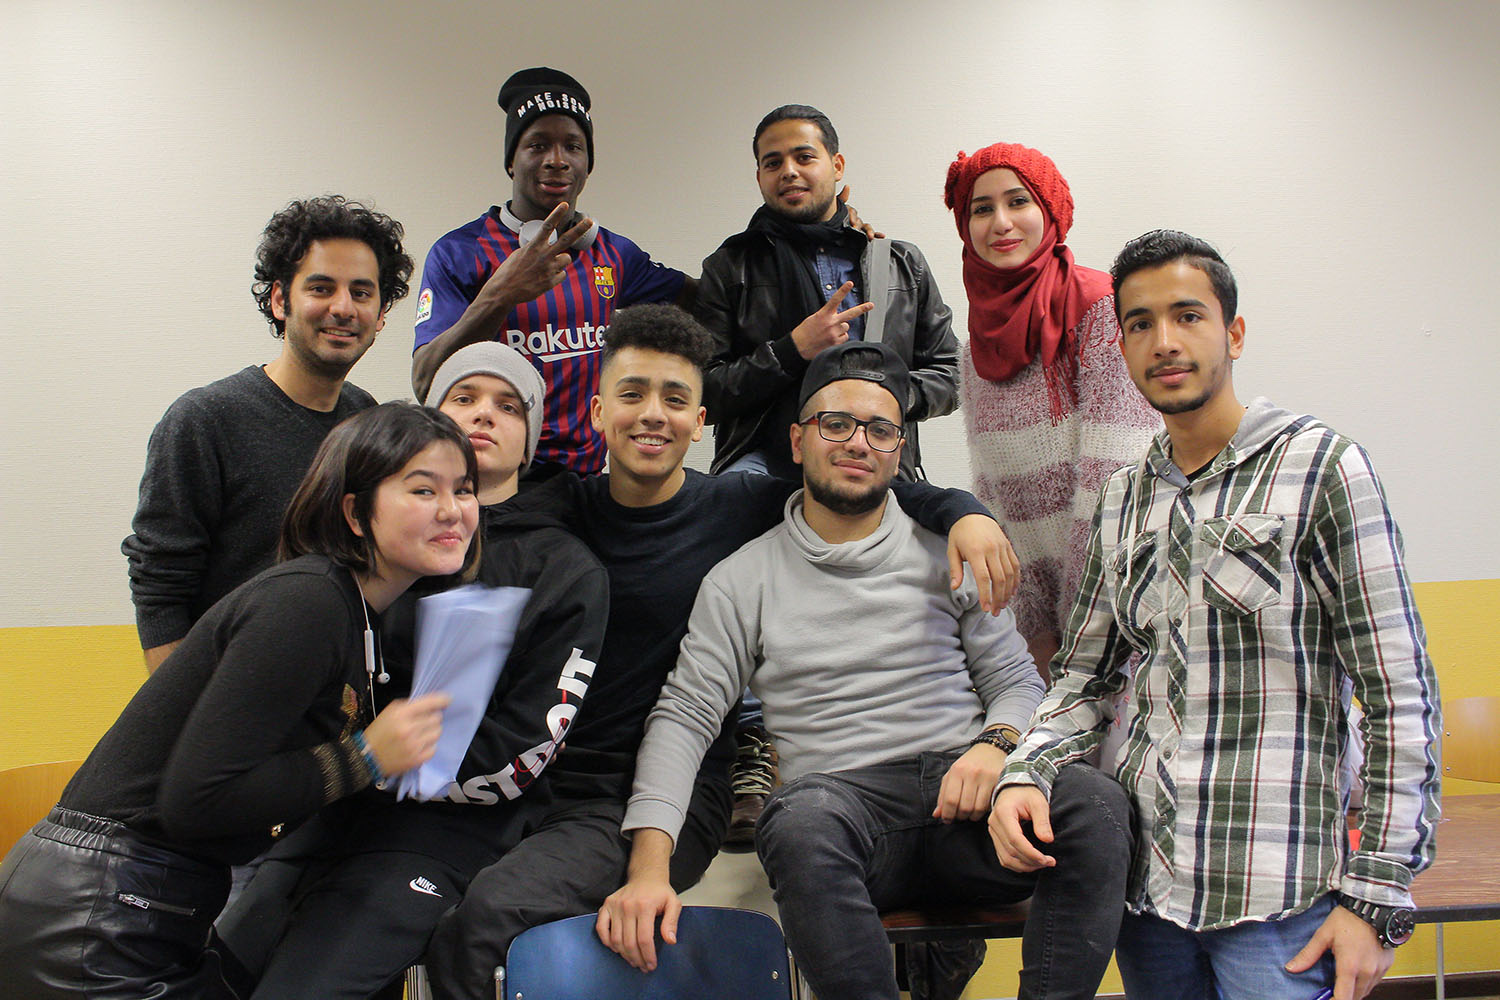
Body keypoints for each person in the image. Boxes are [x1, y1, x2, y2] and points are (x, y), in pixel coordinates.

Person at [422, 304, 1018, 1000]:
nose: (653, 414)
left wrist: (964, 511)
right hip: (535, 777)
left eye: (675, 399)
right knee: (418, 906)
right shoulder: (561, 506)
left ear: (700, 421)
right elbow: (463, 509)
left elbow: (856, 479)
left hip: (663, 794)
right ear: (597, 412)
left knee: (484, 922)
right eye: (633, 394)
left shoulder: (740, 509)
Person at [596, 342, 1132, 1000]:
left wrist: (997, 748)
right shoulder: (741, 580)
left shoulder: (951, 552)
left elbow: (1017, 682)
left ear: (898, 451)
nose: (858, 442)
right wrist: (648, 870)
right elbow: (685, 719)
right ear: (798, 442)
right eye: (836, 423)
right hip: (843, 818)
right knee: (796, 823)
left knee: (1096, 804)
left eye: (880, 429)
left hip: (970, 804)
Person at [989, 231, 1441, 1000]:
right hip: (1148, 901)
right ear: (1123, 348)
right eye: (1140, 324)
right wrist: (1023, 772)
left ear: (1233, 332)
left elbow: (1398, 690)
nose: (1164, 341)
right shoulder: (1122, 499)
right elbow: (1083, 678)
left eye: (1188, 315)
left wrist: (1376, 896)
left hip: (1280, 903)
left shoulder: (1321, 468)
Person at [0, 402, 479, 998]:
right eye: (423, 489)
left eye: (464, 489)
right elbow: (198, 799)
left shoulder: (351, 611)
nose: (452, 510)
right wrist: (365, 757)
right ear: (355, 513)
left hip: (130, 903)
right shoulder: (308, 603)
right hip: (96, 913)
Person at [213, 343, 610, 999]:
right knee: (212, 978)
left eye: (509, 406)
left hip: (443, 837)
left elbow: (522, 747)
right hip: (323, 820)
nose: (483, 415)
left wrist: (375, 761)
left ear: (531, 440)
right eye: (464, 398)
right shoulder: (380, 547)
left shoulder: (565, 568)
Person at [123, 195, 413, 672]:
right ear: (280, 300)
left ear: (381, 313)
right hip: (232, 696)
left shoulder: (367, 420)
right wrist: (187, 707)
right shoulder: (204, 420)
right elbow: (160, 591)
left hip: (334, 700)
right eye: (321, 288)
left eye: (362, 293)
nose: (343, 307)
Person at [942, 142, 1160, 674]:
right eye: (982, 208)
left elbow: (1118, 472)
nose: (1001, 222)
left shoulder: (1100, 303)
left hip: (1122, 602)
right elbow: (993, 489)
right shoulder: (975, 344)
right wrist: (1029, 628)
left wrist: (1083, 630)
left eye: (1018, 201)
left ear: (1050, 209)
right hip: (1042, 626)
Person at [411, 67, 689, 475]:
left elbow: (708, 299)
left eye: (573, 147)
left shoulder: (613, 253)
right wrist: (502, 294)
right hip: (495, 481)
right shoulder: (459, 252)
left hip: (587, 483)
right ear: (512, 161)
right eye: (538, 145)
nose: (557, 161)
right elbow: (425, 381)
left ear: (588, 164)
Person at [695, 104, 959, 483]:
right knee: (724, 509)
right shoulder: (729, 267)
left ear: (837, 166)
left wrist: (889, 397)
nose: (789, 171)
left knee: (955, 513)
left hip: (876, 462)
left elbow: (952, 373)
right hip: (762, 466)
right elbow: (702, 392)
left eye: (804, 157)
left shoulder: (899, 263)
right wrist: (790, 351)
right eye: (773, 163)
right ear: (759, 177)